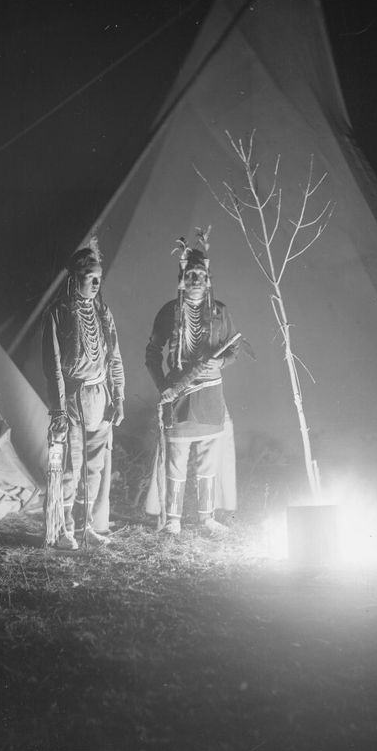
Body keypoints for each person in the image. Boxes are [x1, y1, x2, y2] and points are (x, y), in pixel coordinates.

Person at [145, 229, 240, 535]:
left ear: (208, 278)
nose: (196, 280)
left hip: (211, 393)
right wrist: (163, 386)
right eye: (190, 274)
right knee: (176, 457)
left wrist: (221, 361)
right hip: (178, 394)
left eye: (200, 274)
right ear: (181, 278)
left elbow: (234, 350)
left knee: (209, 457)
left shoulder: (220, 312)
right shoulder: (169, 312)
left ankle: (206, 518)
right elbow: (152, 352)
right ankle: (172, 519)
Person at [42, 238, 124, 550]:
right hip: (73, 401)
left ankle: (87, 527)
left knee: (94, 469)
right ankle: (64, 531)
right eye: (89, 277)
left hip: (100, 399)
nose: (94, 283)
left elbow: (115, 358)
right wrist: (59, 410)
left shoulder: (104, 313)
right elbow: (53, 366)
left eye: (98, 279)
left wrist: (119, 398)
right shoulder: (58, 312)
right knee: (68, 469)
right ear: (75, 278)